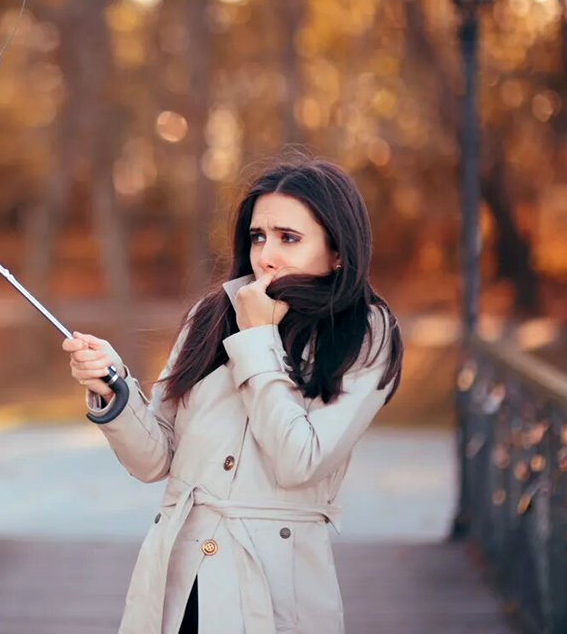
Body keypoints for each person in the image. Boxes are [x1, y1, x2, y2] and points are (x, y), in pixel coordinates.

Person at [63, 157, 404, 634]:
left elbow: (299, 461)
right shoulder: (212, 313)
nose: (266, 255)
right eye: (258, 236)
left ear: (338, 251)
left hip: (275, 585)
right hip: (181, 573)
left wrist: (256, 340)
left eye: (289, 238)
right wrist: (113, 388)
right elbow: (154, 460)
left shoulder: (364, 331)